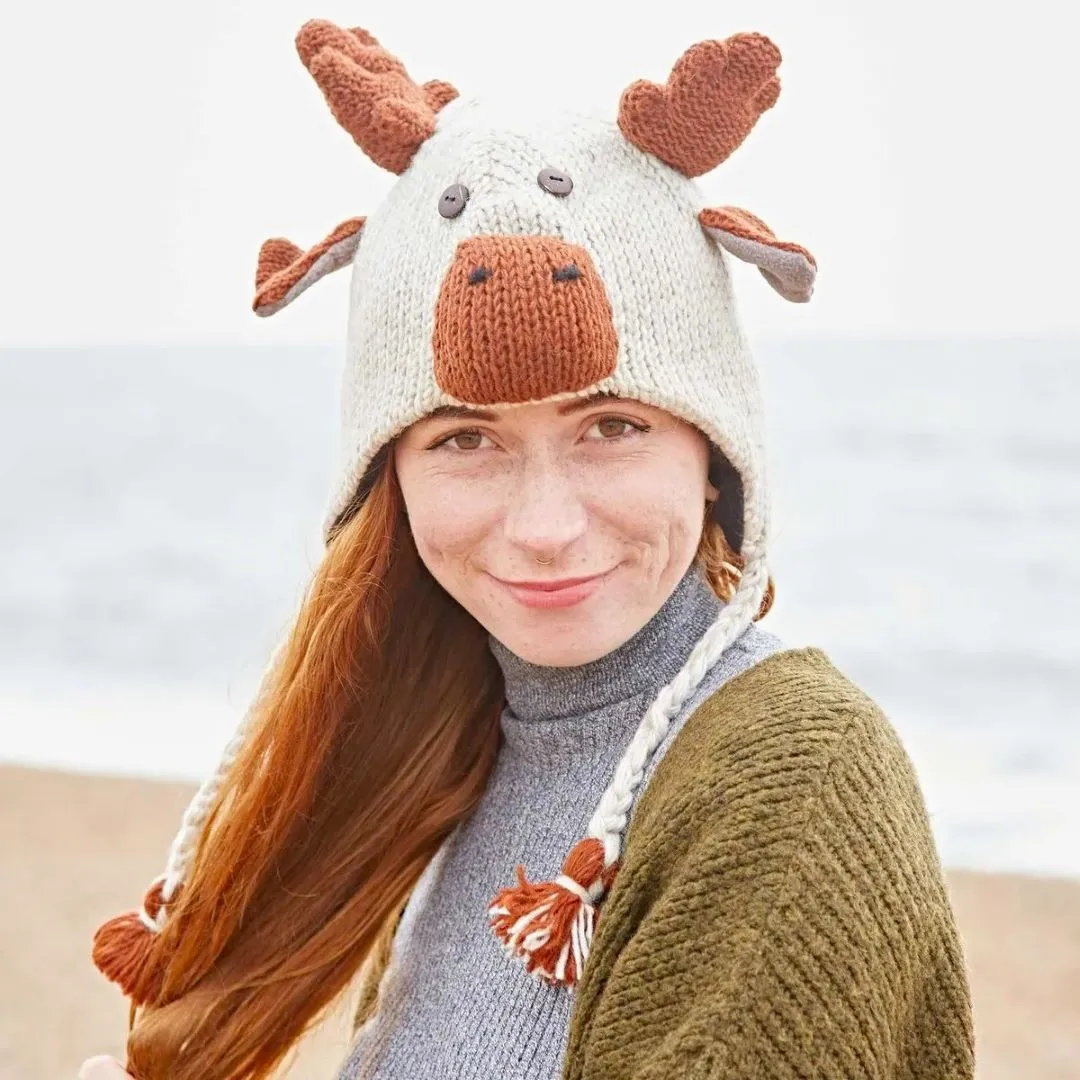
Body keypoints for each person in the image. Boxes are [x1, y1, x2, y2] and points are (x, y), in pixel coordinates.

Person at [80, 18, 975, 1080]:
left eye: (611, 427)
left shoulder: (793, 776)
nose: (545, 528)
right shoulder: (457, 750)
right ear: (388, 478)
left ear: (714, 455)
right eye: (466, 439)